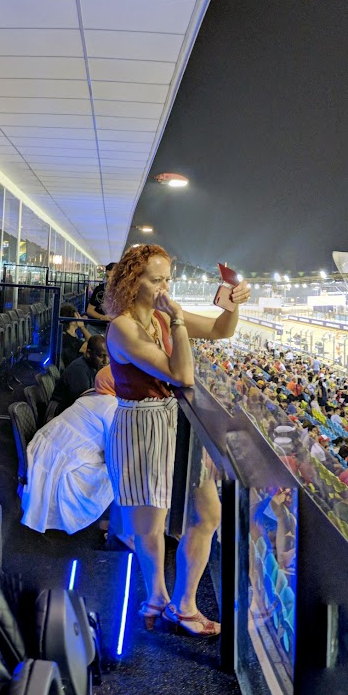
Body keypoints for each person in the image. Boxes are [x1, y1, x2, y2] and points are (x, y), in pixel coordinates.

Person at [102, 242, 242, 634]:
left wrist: (233, 305)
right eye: (156, 280)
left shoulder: (159, 318)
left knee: (208, 513)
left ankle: (182, 604)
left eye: (168, 279)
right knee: (150, 524)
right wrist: (178, 320)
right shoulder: (124, 327)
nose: (165, 287)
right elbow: (181, 375)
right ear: (133, 281)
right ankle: (158, 599)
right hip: (142, 426)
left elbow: (219, 330)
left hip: (174, 422)